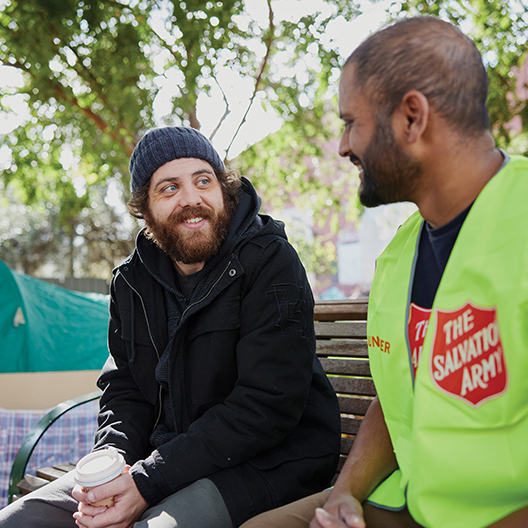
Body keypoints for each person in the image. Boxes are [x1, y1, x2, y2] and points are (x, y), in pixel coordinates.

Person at [240, 15, 528, 528]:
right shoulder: (400, 253)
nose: (343, 146)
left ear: (412, 118)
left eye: (352, 122)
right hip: (408, 499)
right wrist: (344, 496)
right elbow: (396, 400)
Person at [0, 126, 341, 528]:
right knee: (20, 520)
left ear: (224, 190)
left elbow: (267, 404)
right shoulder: (131, 281)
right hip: (165, 461)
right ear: (144, 210)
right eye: (169, 188)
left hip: (269, 462)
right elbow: (125, 387)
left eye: (203, 181)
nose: (192, 198)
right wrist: (112, 460)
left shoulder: (270, 260)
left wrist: (147, 482)